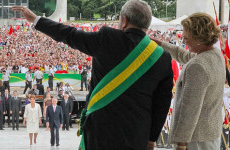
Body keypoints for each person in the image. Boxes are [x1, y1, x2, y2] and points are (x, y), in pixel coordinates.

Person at [12, 1, 173, 149]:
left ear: (123, 20)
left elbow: (69, 34)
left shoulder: (107, 38)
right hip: (137, 135)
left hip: (100, 132)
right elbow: (162, 104)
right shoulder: (162, 57)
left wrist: (36, 20)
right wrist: (151, 138)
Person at [151, 13, 225, 150]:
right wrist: (159, 43)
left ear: (199, 38)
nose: (183, 41)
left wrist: (181, 143)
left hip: (194, 140)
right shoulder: (215, 55)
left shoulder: (198, 65)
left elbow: (190, 109)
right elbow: (184, 55)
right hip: (208, 134)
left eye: (186, 38)